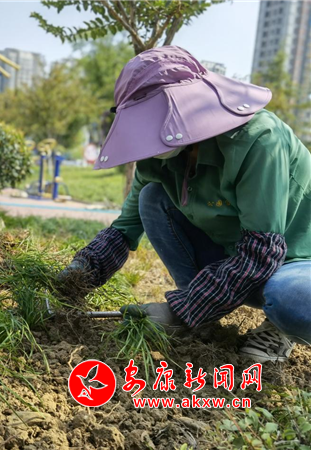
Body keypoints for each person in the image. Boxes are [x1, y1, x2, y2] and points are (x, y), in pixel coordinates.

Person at [57, 46, 310, 363]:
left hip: (295, 263)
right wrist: (78, 275)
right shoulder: (159, 159)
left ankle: (274, 327)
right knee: (153, 197)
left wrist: (179, 311)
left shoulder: (257, 140)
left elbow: (261, 254)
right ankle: (203, 310)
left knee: (294, 301)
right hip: (235, 259)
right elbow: (123, 230)